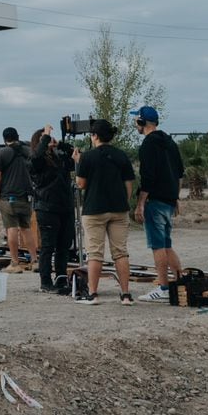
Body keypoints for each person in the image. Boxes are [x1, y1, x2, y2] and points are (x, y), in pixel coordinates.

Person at [75, 119, 136, 306]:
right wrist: (124, 202)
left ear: (94, 136)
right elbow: (128, 183)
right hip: (118, 208)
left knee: (94, 253)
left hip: (94, 209)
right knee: (120, 252)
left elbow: (81, 184)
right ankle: (125, 294)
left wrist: (78, 163)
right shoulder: (121, 156)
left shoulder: (87, 157)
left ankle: (92, 294)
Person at [131, 105, 185, 302]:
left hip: (154, 201)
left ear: (141, 122)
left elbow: (148, 177)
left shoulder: (148, 145)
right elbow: (179, 174)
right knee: (167, 244)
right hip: (169, 200)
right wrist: (176, 197)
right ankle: (179, 283)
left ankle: (163, 288)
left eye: (136, 120)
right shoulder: (170, 143)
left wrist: (140, 204)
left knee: (157, 246)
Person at [29, 127, 76, 293]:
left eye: (49, 138)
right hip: (47, 208)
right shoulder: (37, 161)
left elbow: (75, 155)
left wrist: (61, 144)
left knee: (64, 245)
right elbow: (36, 158)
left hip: (65, 207)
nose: (49, 140)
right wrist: (44, 138)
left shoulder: (59, 157)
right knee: (48, 246)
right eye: (44, 139)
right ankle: (45, 281)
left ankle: (61, 277)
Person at [0, 128, 39, 273]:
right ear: (18, 137)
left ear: (4, 139)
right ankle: (35, 260)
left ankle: (15, 263)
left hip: (8, 196)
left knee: (11, 228)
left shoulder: (1, 153)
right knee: (26, 229)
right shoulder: (28, 151)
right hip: (25, 196)